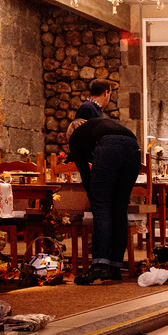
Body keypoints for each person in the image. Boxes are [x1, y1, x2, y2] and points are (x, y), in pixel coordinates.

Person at [66, 115, 142, 285]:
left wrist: (92, 197)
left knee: (101, 208)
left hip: (109, 147)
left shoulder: (76, 137)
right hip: (133, 147)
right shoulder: (96, 127)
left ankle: (100, 264)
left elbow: (85, 173)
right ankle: (115, 266)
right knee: (119, 208)